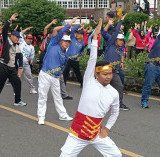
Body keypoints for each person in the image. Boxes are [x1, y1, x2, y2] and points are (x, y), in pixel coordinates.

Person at [60, 19, 121, 157]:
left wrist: (107, 129)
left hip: (97, 134)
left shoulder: (113, 93)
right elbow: (92, 58)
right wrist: (94, 37)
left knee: (116, 155)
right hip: (77, 134)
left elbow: (115, 112)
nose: (108, 77)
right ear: (96, 74)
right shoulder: (89, 81)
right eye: (105, 74)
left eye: (110, 73)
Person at [37, 17, 79, 125]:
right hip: (45, 74)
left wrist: (60, 74)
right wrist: (69, 24)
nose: (66, 43)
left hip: (55, 77)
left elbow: (62, 66)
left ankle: (63, 115)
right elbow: (57, 30)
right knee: (43, 97)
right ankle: (41, 117)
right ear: (61, 41)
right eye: (65, 41)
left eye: (68, 42)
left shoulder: (66, 54)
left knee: (58, 97)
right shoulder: (54, 44)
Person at [0, 13, 26, 109]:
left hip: (12, 68)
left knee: (17, 83)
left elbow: (20, 57)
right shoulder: (6, 41)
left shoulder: (17, 46)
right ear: (12, 36)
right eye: (17, 37)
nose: (18, 39)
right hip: (3, 66)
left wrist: (20, 68)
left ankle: (17, 101)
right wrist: (10, 20)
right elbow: (5, 30)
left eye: (19, 38)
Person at [102, 14, 130, 111]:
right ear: (115, 40)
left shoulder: (121, 46)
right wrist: (120, 21)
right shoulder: (110, 42)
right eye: (120, 40)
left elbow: (121, 54)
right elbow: (104, 32)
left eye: (123, 40)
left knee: (119, 87)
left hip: (115, 71)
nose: (121, 42)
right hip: (105, 69)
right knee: (103, 88)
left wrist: (122, 62)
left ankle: (119, 104)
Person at [141, 29, 160, 108]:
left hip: (158, 66)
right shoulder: (159, 39)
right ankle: (144, 101)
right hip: (151, 65)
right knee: (148, 84)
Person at [19, 27, 37, 94]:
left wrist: (31, 60)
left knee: (29, 76)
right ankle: (16, 90)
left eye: (31, 39)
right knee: (18, 77)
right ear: (25, 39)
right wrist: (27, 29)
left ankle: (32, 89)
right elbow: (20, 33)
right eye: (28, 38)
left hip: (26, 64)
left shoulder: (32, 47)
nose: (29, 40)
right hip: (19, 63)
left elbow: (32, 56)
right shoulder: (22, 42)